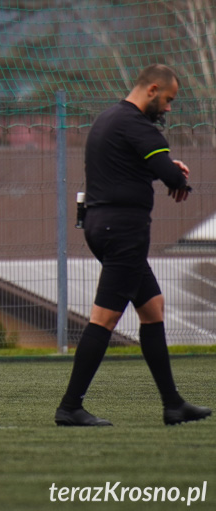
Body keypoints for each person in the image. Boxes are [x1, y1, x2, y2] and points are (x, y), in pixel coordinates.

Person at [55, 64, 211, 427]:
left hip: (102, 224)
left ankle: (173, 404)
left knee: (152, 308)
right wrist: (175, 174)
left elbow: (137, 166)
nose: (169, 108)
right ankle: (69, 406)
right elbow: (171, 176)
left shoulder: (108, 119)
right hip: (123, 230)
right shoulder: (137, 125)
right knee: (104, 318)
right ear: (152, 89)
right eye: (169, 100)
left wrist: (165, 168)